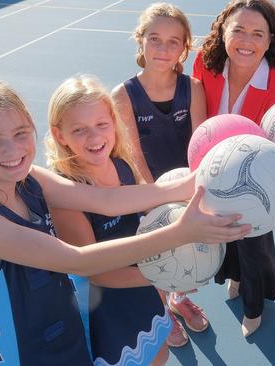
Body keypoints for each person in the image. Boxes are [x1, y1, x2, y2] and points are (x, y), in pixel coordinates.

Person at [0, 79, 250, 365]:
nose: (13, 150)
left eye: (20, 133)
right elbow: (78, 261)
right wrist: (180, 234)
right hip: (20, 355)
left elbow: (105, 200)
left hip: (66, 337)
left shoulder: (28, 179)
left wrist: (194, 183)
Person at [46, 75, 173, 365]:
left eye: (102, 125)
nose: (94, 137)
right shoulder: (66, 194)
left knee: (159, 353)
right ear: (59, 135)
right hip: (106, 306)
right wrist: (161, 277)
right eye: (79, 129)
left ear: (114, 123)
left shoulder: (122, 166)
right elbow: (97, 272)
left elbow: (146, 220)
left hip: (142, 286)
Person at [192, 0, 275, 337]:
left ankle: (254, 308)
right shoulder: (204, 67)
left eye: (258, 33)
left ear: (270, 41)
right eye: (238, 30)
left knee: (255, 247)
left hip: (255, 180)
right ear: (223, 32)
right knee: (224, 238)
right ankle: (234, 276)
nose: (246, 40)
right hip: (212, 173)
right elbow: (199, 123)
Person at [111, 2, 208, 348]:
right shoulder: (123, 95)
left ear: (184, 48)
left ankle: (179, 298)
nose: (163, 49)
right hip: (147, 190)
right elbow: (133, 155)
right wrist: (158, 203)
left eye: (173, 42)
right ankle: (163, 310)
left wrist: (190, 192)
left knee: (185, 251)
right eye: (155, 39)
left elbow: (200, 145)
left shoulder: (193, 87)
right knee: (157, 254)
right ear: (141, 42)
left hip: (186, 185)